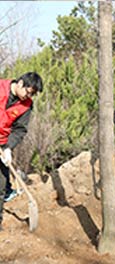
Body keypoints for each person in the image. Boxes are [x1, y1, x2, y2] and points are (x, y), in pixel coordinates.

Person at [0, 72, 43, 229]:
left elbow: (19, 130)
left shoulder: (26, 106)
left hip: (2, 144)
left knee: (1, 184)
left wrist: (7, 148)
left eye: (32, 94)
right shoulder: (1, 87)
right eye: (28, 91)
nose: (29, 96)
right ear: (20, 83)